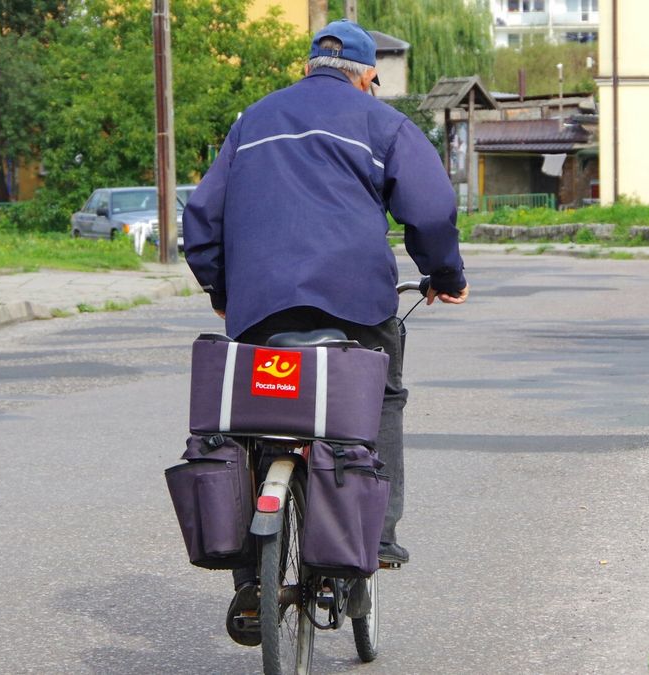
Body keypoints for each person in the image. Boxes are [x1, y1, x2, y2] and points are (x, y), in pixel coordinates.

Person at [183, 18, 469, 647]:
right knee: (381, 398)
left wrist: (221, 290)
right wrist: (443, 274)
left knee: (251, 419)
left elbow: (201, 216)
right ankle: (379, 535)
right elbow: (430, 208)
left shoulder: (250, 121)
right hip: (355, 309)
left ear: (307, 67)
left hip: (260, 309)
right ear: (368, 77)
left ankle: (250, 570)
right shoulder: (383, 123)